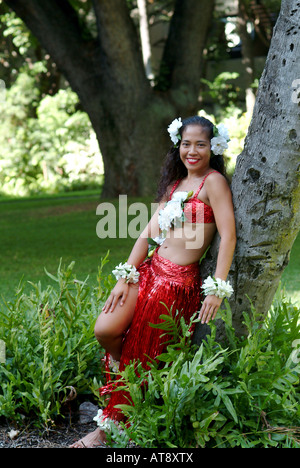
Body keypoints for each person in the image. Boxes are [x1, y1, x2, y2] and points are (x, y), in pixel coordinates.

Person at [70, 115, 236, 448]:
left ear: (213, 147)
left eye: (200, 144)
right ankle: (128, 385)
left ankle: (107, 429)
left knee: (141, 352)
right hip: (149, 271)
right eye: (186, 143)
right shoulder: (175, 184)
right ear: (178, 145)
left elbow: (229, 236)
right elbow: (148, 233)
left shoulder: (213, 182)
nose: (192, 151)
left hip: (175, 284)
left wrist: (217, 289)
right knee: (105, 329)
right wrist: (125, 275)